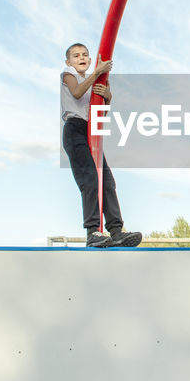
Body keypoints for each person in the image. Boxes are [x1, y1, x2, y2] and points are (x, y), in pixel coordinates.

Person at [61, 43, 142, 248]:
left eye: (85, 55)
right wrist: (97, 71)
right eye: (76, 55)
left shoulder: (93, 81)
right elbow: (77, 93)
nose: (82, 57)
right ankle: (93, 232)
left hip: (91, 132)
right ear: (68, 61)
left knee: (107, 182)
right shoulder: (68, 74)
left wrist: (108, 97)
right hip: (75, 130)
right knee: (89, 180)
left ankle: (116, 231)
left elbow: (100, 116)